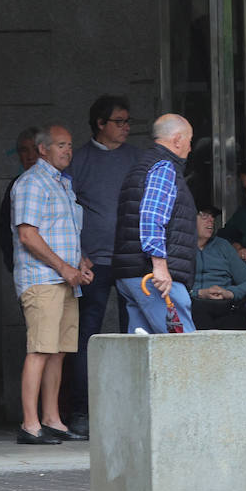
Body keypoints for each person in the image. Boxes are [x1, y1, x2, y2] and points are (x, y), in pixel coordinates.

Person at [62, 95, 140, 436]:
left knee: (135, 333)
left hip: (133, 259)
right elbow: (64, 213)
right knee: (86, 336)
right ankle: (81, 411)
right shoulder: (79, 161)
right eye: (119, 121)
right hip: (92, 261)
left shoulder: (138, 158)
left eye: (127, 121)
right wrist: (77, 253)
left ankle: (133, 410)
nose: (125, 127)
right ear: (100, 124)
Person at [11, 125, 94, 445]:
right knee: (40, 350)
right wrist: (64, 267)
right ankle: (30, 424)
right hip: (42, 279)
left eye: (70, 145)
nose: (68, 151)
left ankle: (52, 419)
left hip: (66, 279)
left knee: (58, 352)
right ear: (42, 149)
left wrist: (81, 262)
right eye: (61, 145)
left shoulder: (62, 183)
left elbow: (64, 232)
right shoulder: (32, 182)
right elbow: (27, 235)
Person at [112, 114, 198, 334]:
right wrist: (160, 267)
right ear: (177, 139)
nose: (190, 148)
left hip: (133, 275)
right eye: (189, 141)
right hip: (153, 279)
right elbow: (152, 217)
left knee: (143, 356)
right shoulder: (164, 167)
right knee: (181, 350)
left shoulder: (141, 166)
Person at [190, 205, 246, 330]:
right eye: (204, 216)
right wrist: (199, 293)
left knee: (236, 320)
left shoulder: (222, 246)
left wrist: (230, 293)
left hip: (225, 306)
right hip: (192, 306)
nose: (211, 220)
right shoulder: (179, 246)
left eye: (212, 217)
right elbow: (170, 286)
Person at [0, 127, 40, 272]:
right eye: (24, 150)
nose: (30, 156)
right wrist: (12, 263)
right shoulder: (16, 186)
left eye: (35, 149)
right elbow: (4, 231)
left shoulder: (60, 183)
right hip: (27, 270)